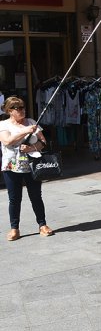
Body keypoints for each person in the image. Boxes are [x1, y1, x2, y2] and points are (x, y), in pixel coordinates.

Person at [0, 97, 51, 241]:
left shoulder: (32, 122)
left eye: (23, 107)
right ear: (10, 111)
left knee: (36, 196)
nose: (22, 110)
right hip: (11, 166)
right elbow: (7, 141)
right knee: (14, 198)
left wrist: (32, 148)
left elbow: (43, 142)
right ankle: (14, 228)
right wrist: (25, 131)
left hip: (32, 166)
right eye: (18, 108)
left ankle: (42, 225)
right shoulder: (3, 124)